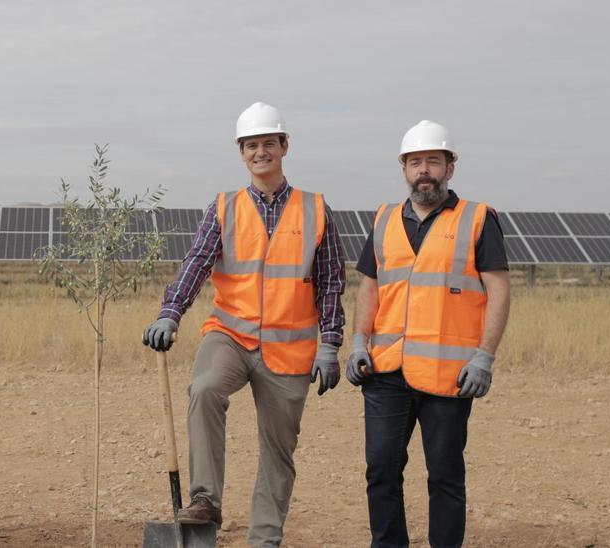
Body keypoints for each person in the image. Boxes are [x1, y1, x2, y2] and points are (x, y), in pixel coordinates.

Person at [142, 102, 346, 547]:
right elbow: (196, 263)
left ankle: (263, 540)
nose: (260, 152)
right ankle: (205, 499)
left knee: (277, 454)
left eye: (268, 143)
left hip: (290, 350)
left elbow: (331, 282)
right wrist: (169, 313)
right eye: (251, 145)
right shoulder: (224, 207)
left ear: (284, 147)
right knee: (204, 388)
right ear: (241, 153)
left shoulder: (316, 210)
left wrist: (330, 344)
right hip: (230, 335)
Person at [347, 120, 511, 548]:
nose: (424, 170)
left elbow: (498, 289)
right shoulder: (384, 219)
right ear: (403, 168)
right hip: (385, 371)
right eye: (415, 162)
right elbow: (370, 284)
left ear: (450, 168)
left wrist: (484, 357)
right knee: (381, 470)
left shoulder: (477, 219)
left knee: (445, 476)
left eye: (433, 162)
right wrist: (357, 343)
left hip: (449, 375)